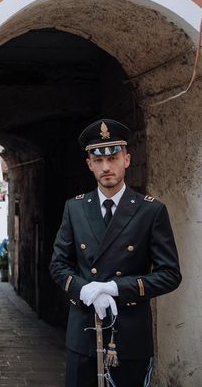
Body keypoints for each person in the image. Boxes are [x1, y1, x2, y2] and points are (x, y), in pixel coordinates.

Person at [49, 119, 181, 387]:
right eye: (98, 160)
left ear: (127, 159)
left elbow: (170, 275)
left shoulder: (150, 211)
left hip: (130, 335)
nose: (106, 167)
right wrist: (83, 289)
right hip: (83, 333)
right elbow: (58, 265)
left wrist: (115, 288)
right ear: (89, 164)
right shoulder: (74, 209)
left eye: (113, 157)